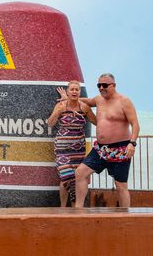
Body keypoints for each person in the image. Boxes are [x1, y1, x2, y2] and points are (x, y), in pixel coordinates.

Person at [61, 73, 140, 208]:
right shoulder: (98, 100)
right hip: (101, 149)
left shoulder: (124, 101)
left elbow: (135, 124)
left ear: (113, 85)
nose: (101, 88)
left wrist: (132, 144)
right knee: (80, 172)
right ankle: (78, 209)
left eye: (105, 85)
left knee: (120, 184)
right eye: (99, 85)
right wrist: (69, 97)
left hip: (120, 149)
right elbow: (85, 101)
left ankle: (124, 215)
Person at [48, 81, 96, 207]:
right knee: (65, 177)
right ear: (68, 92)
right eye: (72, 89)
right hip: (62, 148)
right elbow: (50, 123)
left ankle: (75, 206)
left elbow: (97, 122)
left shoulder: (84, 107)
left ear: (79, 92)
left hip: (78, 148)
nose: (74, 91)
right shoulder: (60, 106)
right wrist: (57, 112)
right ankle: (63, 207)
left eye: (77, 89)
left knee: (77, 178)